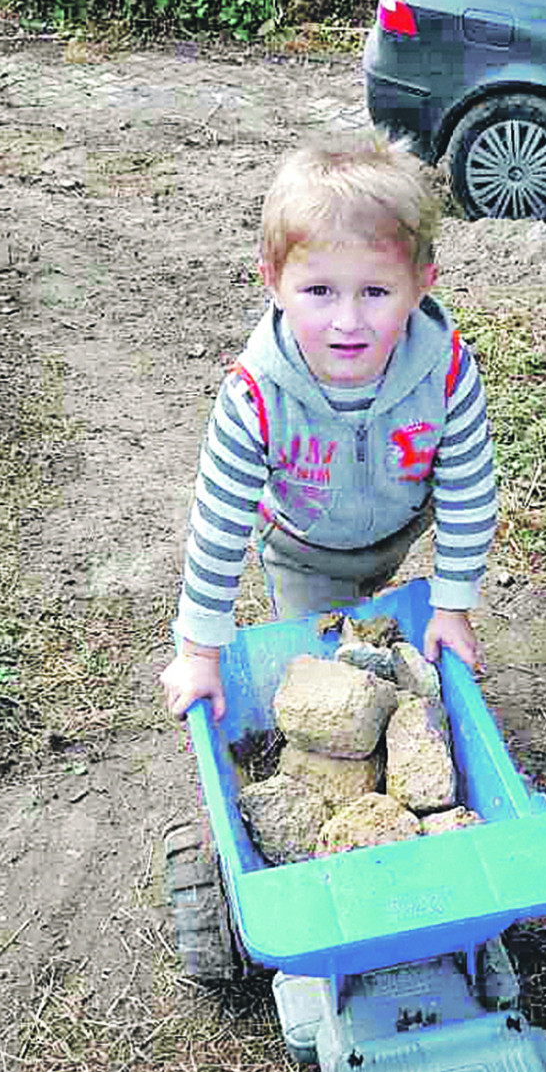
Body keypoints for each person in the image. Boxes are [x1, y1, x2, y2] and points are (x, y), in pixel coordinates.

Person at [160, 128, 497, 723]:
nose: (348, 320)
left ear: (422, 285)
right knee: (327, 681)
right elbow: (218, 527)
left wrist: (452, 607)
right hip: (304, 551)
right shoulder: (255, 396)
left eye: (375, 291)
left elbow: (468, 493)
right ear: (273, 282)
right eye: (319, 290)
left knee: (384, 652)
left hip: (396, 529)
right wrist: (198, 651)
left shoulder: (445, 373)